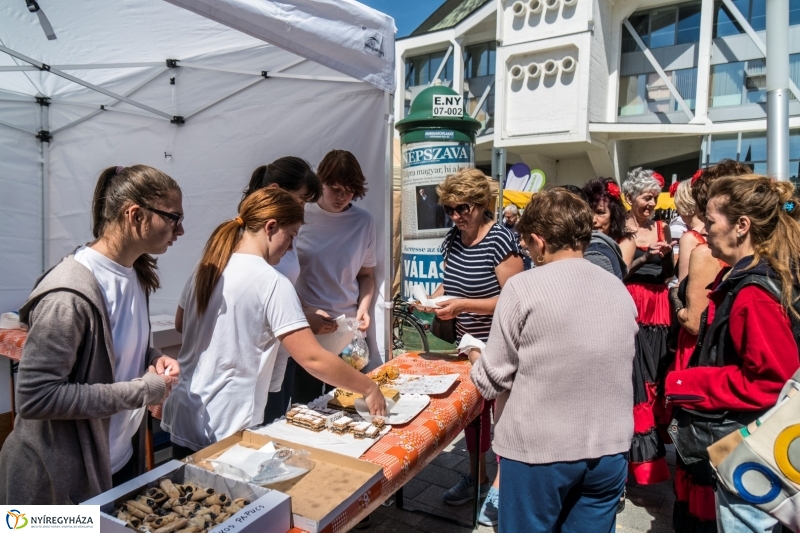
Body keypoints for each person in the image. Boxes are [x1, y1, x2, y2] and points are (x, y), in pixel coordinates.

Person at [0, 165, 182, 504]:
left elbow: (116, 349)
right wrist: (143, 390)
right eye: (174, 218)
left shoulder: (136, 274)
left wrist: (153, 358)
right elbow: (36, 397)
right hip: (55, 487)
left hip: (114, 465)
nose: (180, 229)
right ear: (135, 215)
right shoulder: (67, 296)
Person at [162, 188, 385, 456]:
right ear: (270, 227)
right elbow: (312, 358)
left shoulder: (206, 267)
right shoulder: (272, 282)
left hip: (186, 415)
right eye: (291, 236)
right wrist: (368, 388)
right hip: (228, 424)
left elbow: (181, 323)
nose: (290, 248)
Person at [469, 188, 638, 533]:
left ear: (539, 242)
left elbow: (492, 379)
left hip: (538, 451)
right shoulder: (618, 288)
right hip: (609, 448)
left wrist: (474, 354)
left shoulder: (522, 288)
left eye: (527, 246)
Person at [665, 174, 800, 533]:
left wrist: (688, 382)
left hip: (751, 450)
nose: (704, 229)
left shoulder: (754, 292)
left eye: (710, 221)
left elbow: (773, 380)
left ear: (741, 226)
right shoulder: (761, 275)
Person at [422, 168, 524, 525]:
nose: (455, 216)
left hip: (502, 346)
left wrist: (462, 305)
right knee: (475, 416)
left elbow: (514, 299)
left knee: (504, 420)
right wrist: (431, 300)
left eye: (462, 208)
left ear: (482, 204)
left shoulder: (500, 240)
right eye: (449, 209)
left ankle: (502, 486)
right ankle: (477, 476)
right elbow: (449, 284)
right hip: (468, 345)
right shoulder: (453, 238)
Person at [666, 161, 751, 532]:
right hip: (722, 360)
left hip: (702, 356)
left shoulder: (704, 252)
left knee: (701, 447)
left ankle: (699, 516)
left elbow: (694, 321)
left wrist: (674, 296)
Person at [236, 158, 330, 425]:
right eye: (300, 200)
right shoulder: (252, 238)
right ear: (276, 190)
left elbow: (285, 283)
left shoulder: (286, 233)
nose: (302, 208)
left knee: (276, 420)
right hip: (258, 359)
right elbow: (264, 294)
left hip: (282, 354)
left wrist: (306, 309)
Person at [292, 150, 377, 404]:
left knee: (350, 407)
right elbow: (282, 273)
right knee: (307, 410)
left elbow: (366, 275)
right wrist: (305, 311)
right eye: (335, 189)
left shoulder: (364, 222)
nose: (342, 197)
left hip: (348, 333)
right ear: (320, 182)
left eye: (349, 191)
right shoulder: (300, 215)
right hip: (307, 331)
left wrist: (364, 308)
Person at [618, 168, 673, 487]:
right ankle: (626, 459)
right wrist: (643, 258)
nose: (652, 203)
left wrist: (664, 257)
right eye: (646, 197)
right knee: (630, 380)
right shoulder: (620, 229)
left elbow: (668, 274)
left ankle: (645, 454)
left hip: (658, 307)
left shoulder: (662, 227)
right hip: (630, 304)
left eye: (655, 198)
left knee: (652, 380)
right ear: (630, 198)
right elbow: (617, 272)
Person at [582, 177, 631, 280]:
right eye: (589, 213)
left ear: (613, 216)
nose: (593, 220)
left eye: (600, 213)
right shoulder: (577, 241)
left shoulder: (624, 241)